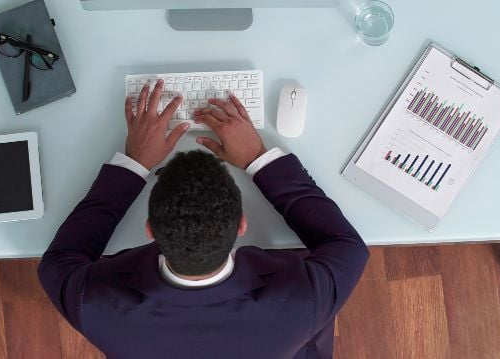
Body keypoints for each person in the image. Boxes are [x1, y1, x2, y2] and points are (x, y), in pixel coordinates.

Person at [38, 80, 369, 358]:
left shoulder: (95, 308)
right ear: (242, 224)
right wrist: (257, 158)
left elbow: (58, 261)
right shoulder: (301, 302)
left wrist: (134, 163)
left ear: (150, 229)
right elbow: (347, 247)